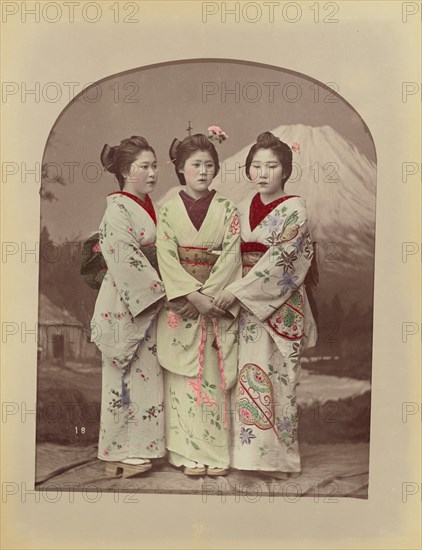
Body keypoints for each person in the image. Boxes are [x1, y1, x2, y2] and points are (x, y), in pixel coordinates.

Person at [214, 131, 317, 474]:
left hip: (279, 303)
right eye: (256, 166)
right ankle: (246, 457)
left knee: (279, 378)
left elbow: (283, 259)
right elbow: (229, 253)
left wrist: (240, 290)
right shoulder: (241, 209)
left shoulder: (296, 210)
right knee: (246, 374)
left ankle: (278, 459)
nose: (262, 173)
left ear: (285, 171)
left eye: (271, 166)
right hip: (245, 304)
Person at [156, 130, 242, 476]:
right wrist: (190, 295)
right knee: (181, 378)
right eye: (195, 165)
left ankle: (215, 454)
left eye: (209, 164)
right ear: (181, 169)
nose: (203, 171)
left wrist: (208, 298)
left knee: (212, 378)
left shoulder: (226, 208)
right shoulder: (167, 210)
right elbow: (165, 254)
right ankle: (184, 452)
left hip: (214, 304)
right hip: (181, 305)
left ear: (216, 168)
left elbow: (232, 254)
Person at [91, 135, 166, 477]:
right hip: (126, 301)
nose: (152, 172)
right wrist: (159, 288)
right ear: (125, 171)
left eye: (154, 166)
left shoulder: (150, 206)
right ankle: (118, 451)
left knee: (146, 375)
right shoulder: (118, 209)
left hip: (148, 300)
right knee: (123, 375)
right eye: (144, 167)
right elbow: (123, 256)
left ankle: (142, 446)